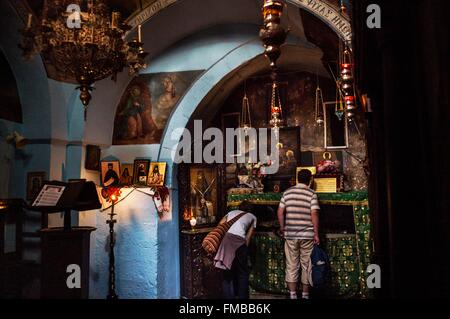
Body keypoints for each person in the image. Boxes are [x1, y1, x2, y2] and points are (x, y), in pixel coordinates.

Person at [277, 169, 320, 299]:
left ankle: (293, 294)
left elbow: (280, 212)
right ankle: (305, 295)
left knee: (291, 265)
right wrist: (316, 233)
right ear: (310, 180)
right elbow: (314, 214)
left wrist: (283, 227)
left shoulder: (287, 193)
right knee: (307, 265)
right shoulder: (312, 194)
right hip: (307, 235)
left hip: (290, 234)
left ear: (297, 178)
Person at [214, 201, 257, 299]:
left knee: (226, 272)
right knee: (242, 273)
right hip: (239, 243)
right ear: (251, 209)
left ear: (239, 207)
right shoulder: (253, 217)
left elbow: (220, 225)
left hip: (226, 241)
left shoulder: (231, 213)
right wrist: (244, 251)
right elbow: (248, 238)